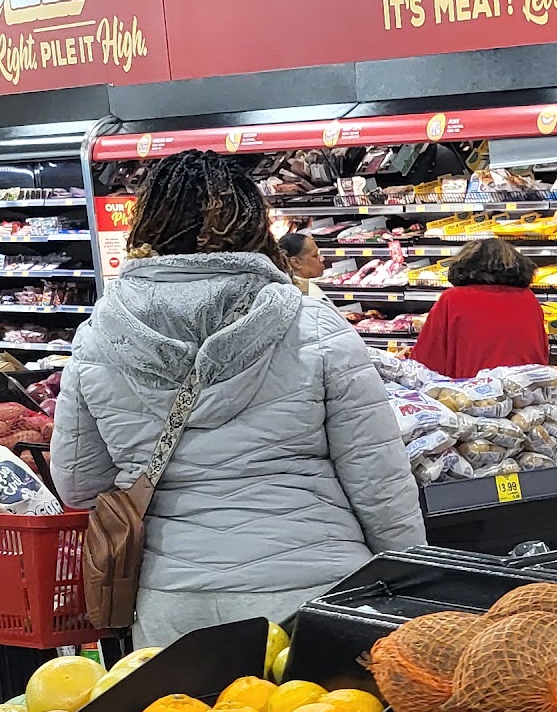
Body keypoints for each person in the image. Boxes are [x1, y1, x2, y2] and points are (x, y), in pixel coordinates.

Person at [49, 151, 426, 646]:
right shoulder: (312, 323)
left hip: (172, 604)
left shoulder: (99, 336)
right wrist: (412, 582)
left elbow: (79, 483)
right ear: (255, 224)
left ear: (148, 222)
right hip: (315, 589)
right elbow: (378, 480)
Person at [409, 235, 549, 378]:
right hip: (525, 394)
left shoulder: (453, 299)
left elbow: (426, 362)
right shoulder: (529, 299)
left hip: (473, 395)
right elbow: (540, 355)